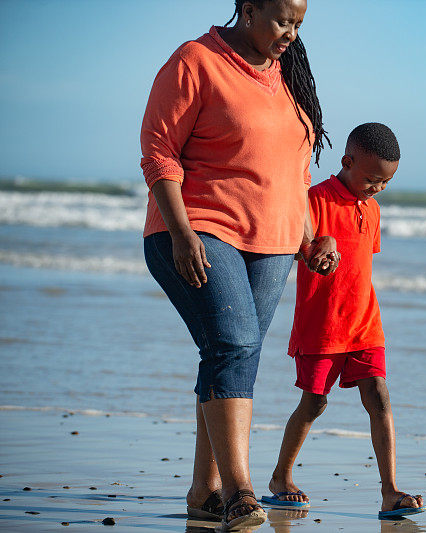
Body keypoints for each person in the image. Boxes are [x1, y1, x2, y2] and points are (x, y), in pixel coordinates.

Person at [140, 0, 339, 529]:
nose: (290, 35)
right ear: (247, 10)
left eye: (298, 25)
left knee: (232, 354)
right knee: (233, 344)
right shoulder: (196, 60)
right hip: (200, 228)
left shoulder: (290, 73)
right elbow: (159, 152)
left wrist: (310, 238)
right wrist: (181, 233)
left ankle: (204, 491)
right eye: (281, 22)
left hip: (272, 243)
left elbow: (293, 173)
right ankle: (239, 492)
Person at [262, 123, 426, 519]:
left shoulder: (372, 209)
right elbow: (289, 245)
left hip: (365, 324)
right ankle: (280, 477)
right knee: (315, 402)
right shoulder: (314, 199)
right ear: (347, 162)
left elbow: (361, 265)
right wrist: (317, 247)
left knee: (379, 395)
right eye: (372, 179)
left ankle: (390, 491)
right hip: (321, 326)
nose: (377, 189)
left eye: (385, 183)